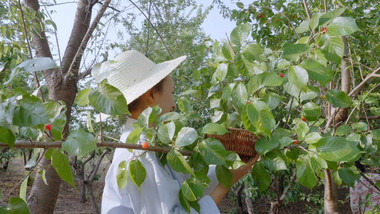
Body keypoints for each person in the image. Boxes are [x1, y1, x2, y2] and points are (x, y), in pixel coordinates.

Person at [97, 50, 259, 214]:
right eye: (172, 92)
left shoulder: (151, 142)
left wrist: (224, 167)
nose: (174, 104)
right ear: (152, 95)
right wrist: (227, 182)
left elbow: (183, 184)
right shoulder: (139, 153)